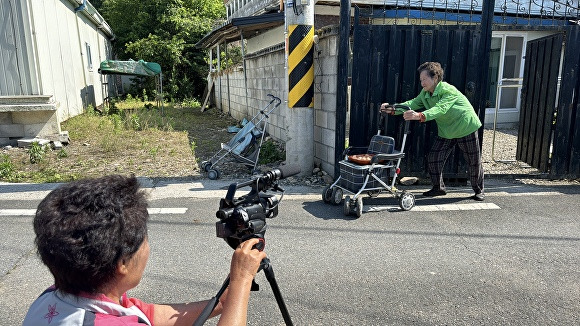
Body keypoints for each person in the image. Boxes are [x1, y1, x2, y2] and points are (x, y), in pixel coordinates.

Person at [23, 174, 267, 326]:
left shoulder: (54, 298)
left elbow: (149, 315)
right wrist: (242, 280)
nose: (147, 246)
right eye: (143, 239)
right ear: (123, 263)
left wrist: (225, 302)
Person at [380, 61, 484, 201]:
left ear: (435, 78)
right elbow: (411, 104)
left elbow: (440, 108)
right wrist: (392, 108)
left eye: (424, 79)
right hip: (447, 131)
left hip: (465, 126)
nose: (422, 82)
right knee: (434, 158)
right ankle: (438, 188)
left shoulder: (448, 90)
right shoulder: (425, 93)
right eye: (421, 79)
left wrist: (420, 116)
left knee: (473, 161)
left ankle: (479, 190)